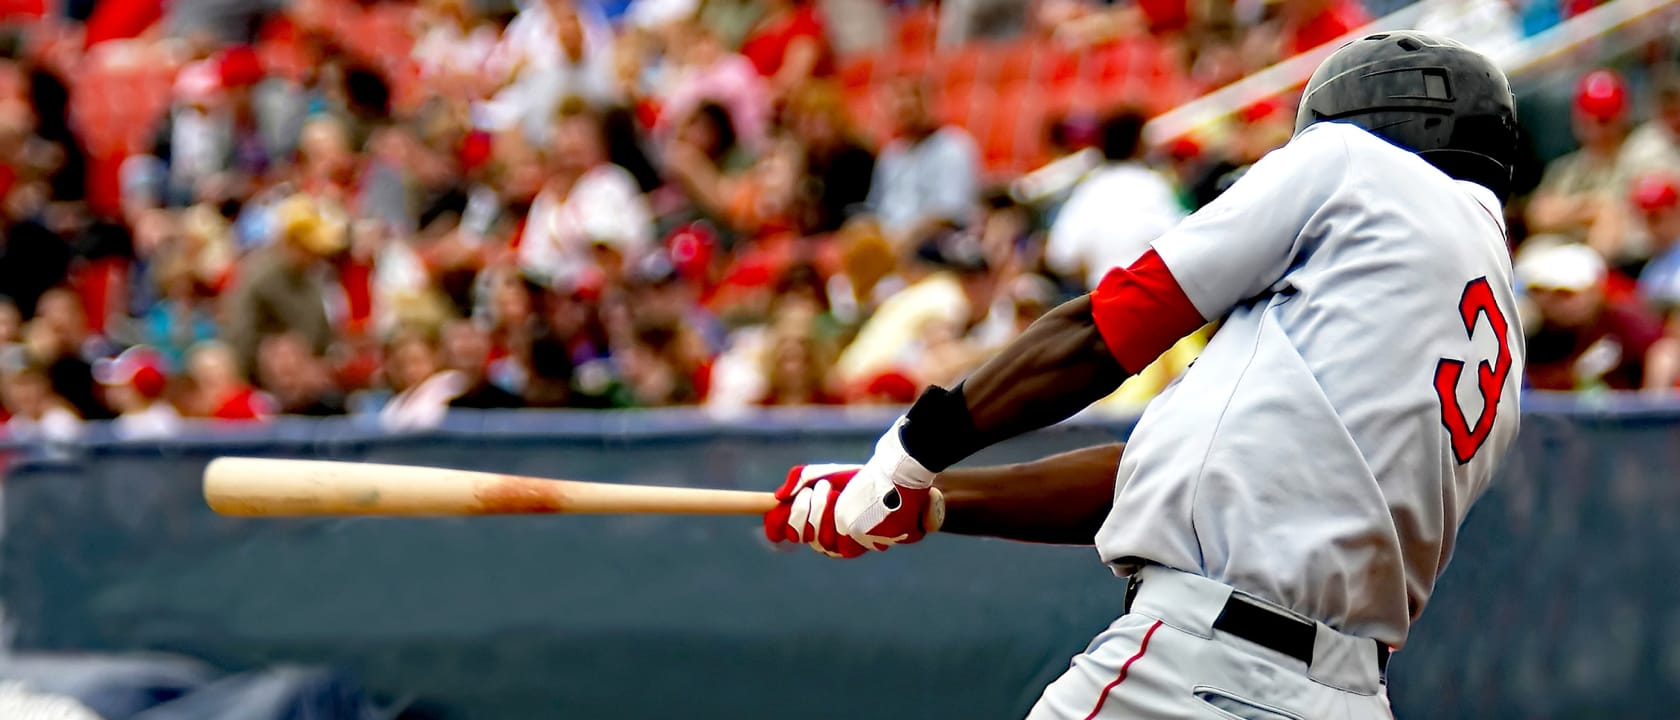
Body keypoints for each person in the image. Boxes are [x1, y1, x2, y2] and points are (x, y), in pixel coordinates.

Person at [762, 32, 1526, 719]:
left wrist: (902, 458)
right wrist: (931, 503)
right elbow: (1157, 475)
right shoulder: (1492, 331)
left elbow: (1104, 329)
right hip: (1349, 698)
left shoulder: (1354, 167)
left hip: (1197, 671)